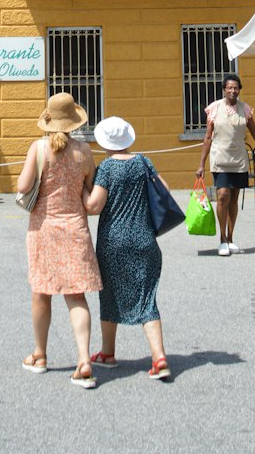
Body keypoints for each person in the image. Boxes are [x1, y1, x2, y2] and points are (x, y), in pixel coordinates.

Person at [15, 92, 102, 387]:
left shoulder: (38, 149)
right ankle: (84, 359)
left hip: (44, 228)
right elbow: (90, 187)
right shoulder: (84, 152)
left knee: (41, 291)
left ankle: (39, 355)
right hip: (75, 227)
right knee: (76, 296)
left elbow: (23, 185)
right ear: (74, 123)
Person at [83, 115, 170, 381]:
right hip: (145, 240)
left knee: (109, 295)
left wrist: (82, 192)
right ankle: (159, 357)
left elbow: (94, 206)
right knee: (147, 298)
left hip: (114, 242)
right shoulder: (144, 162)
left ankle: (108, 352)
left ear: (105, 141)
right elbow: (164, 190)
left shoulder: (107, 167)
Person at [196, 74, 255, 255]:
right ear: (224, 90)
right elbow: (207, 137)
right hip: (220, 159)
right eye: (229, 88)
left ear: (239, 90)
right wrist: (201, 164)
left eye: (236, 88)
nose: (233, 91)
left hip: (238, 160)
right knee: (223, 195)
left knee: (234, 199)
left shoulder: (245, 109)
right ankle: (222, 239)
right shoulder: (214, 108)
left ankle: (231, 239)